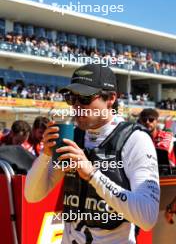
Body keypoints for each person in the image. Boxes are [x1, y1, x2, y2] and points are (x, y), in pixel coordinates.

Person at [25, 64, 160, 244]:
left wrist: (93, 175)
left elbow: (148, 218)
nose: (77, 106)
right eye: (71, 98)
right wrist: (45, 155)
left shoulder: (135, 140)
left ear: (111, 98)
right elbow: (33, 196)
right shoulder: (74, 136)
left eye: (85, 98)